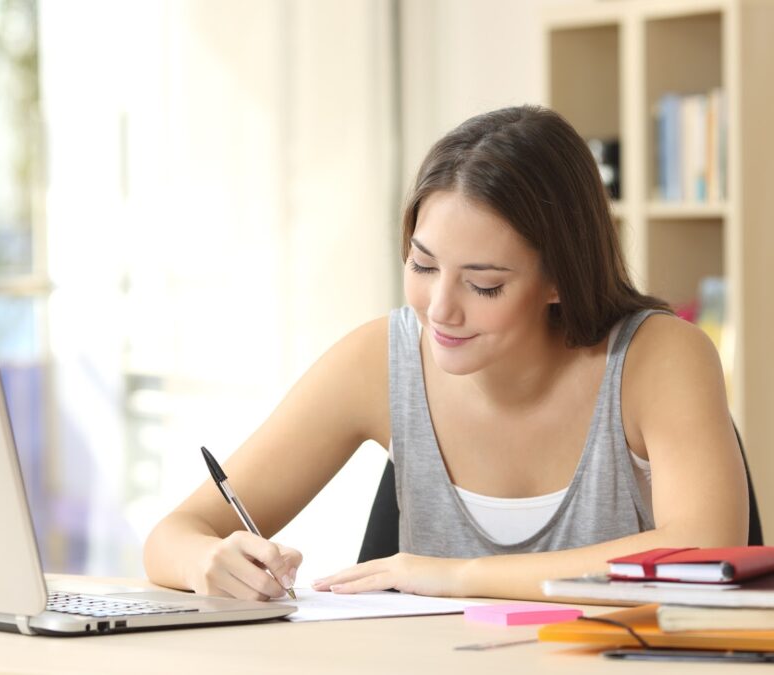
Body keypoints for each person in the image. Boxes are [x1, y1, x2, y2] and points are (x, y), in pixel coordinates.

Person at [142, 105, 749, 601]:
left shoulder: (658, 357)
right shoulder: (381, 360)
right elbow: (172, 535)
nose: (439, 309)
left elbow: (704, 546)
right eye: (422, 265)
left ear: (561, 276)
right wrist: (209, 563)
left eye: (484, 284)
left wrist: (457, 577)